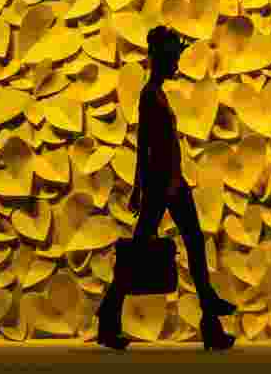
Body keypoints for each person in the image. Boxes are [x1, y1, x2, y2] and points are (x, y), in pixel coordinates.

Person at [96, 26, 237, 351]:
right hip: (162, 185)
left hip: (172, 182)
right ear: (160, 58)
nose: (176, 63)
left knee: (192, 242)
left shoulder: (157, 94)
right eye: (173, 57)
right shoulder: (149, 96)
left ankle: (210, 318)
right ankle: (108, 315)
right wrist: (139, 188)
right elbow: (144, 145)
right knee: (141, 253)